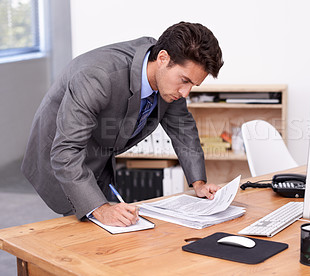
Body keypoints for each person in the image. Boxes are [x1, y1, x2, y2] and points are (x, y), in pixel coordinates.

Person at [21, 22, 224, 227]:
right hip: (60, 150)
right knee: (71, 229)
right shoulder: (97, 76)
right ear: (163, 58)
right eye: (184, 80)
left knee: (103, 229)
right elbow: (66, 151)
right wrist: (100, 208)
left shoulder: (168, 79)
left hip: (99, 150)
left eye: (193, 85)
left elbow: (183, 130)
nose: (185, 93)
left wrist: (199, 184)